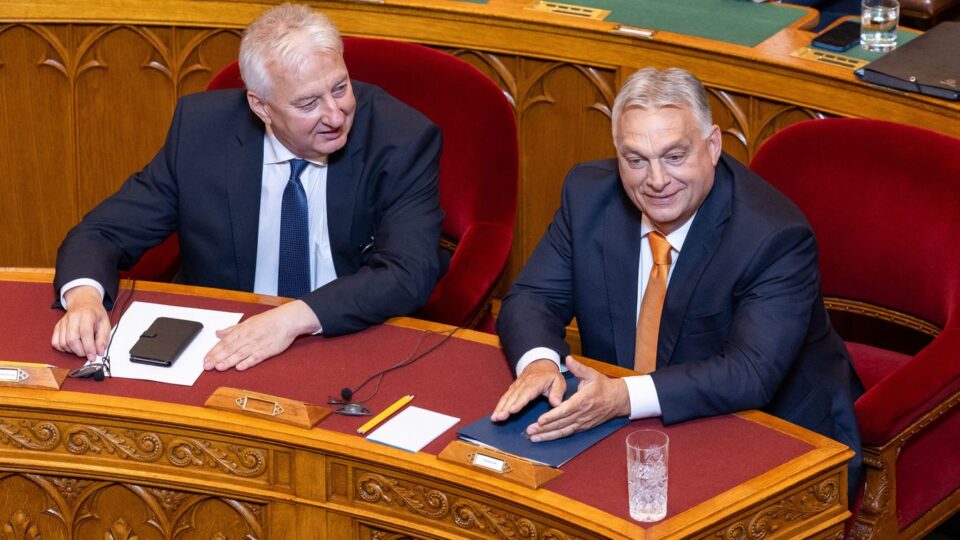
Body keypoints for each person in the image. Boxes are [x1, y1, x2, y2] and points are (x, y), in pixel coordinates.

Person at [493, 67, 863, 488]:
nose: (656, 180)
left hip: (775, 432)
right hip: (626, 431)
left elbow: (749, 372)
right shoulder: (588, 197)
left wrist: (623, 397)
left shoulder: (773, 236)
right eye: (636, 160)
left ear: (713, 145)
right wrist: (540, 362)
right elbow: (532, 298)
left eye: (674, 156)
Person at [51, 3, 444, 372]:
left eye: (340, 88)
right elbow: (102, 232)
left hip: (343, 334)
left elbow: (408, 272)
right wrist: (85, 298)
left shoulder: (400, 138)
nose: (335, 115)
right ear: (261, 106)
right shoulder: (202, 132)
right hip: (222, 342)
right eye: (308, 104)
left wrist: (293, 319)